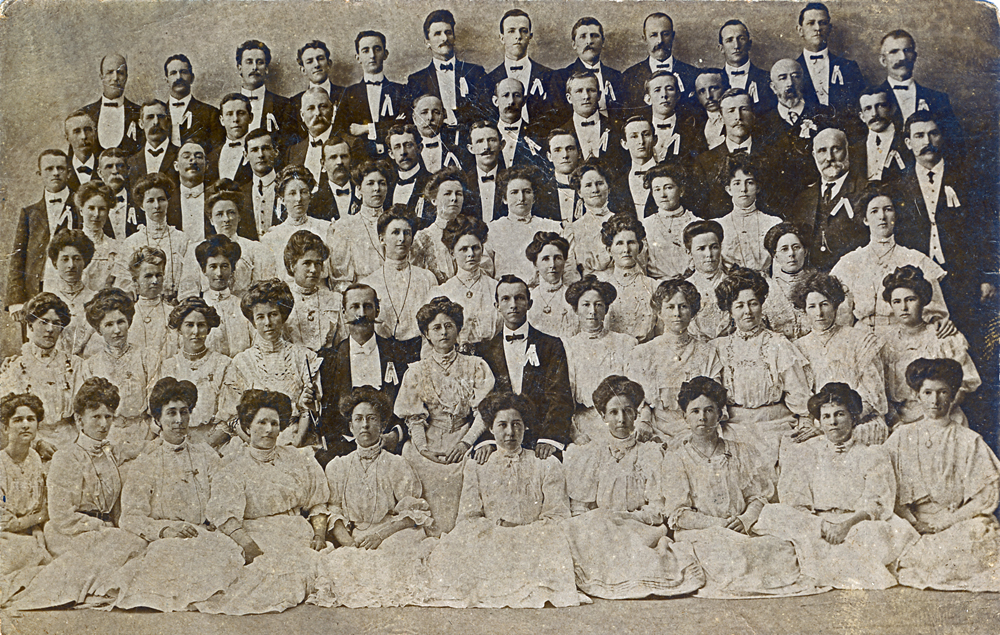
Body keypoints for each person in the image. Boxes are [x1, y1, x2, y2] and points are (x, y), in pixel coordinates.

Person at [662, 377, 819, 598]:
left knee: (779, 548)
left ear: (720, 414)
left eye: (709, 410)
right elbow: (679, 514)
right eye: (695, 411)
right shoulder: (677, 458)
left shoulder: (741, 451)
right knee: (729, 554)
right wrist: (719, 525)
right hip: (702, 532)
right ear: (685, 417)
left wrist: (746, 519)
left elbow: (758, 496)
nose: (702, 418)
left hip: (741, 526)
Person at [755, 382, 919, 590]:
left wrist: (845, 525)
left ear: (853, 417)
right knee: (773, 512)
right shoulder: (805, 453)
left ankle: (828, 565)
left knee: (872, 534)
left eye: (840, 414)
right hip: (817, 523)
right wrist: (821, 525)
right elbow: (795, 501)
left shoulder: (872, 454)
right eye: (826, 416)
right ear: (819, 422)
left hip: (855, 524)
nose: (833, 422)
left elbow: (877, 503)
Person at [422, 392, 579, 608]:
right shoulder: (477, 465)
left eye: (517, 425)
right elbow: (468, 517)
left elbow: (557, 517)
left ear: (526, 427)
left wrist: (520, 529)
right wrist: (497, 530)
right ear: (490, 428)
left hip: (532, 539)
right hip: (493, 538)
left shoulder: (546, 464)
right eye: (502, 425)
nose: (510, 432)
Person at [11, 378, 148, 611]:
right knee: (126, 546)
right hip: (69, 533)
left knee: (138, 545)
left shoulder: (110, 453)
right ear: (79, 420)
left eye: (108, 417)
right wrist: (102, 528)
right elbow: (61, 516)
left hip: (103, 532)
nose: (103, 424)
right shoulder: (66, 457)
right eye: (96, 417)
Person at [563, 376, 705, 599]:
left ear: (637, 414)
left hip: (640, 529)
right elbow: (581, 506)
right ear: (602, 416)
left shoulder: (651, 453)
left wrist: (628, 520)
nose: (622, 419)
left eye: (628, 411)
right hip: (602, 528)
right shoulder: (591, 454)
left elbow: (658, 509)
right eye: (614, 413)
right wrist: (604, 522)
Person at [113, 377, 243, 612]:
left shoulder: (205, 454)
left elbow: (223, 496)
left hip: (202, 535)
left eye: (184, 412)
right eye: (171, 413)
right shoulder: (147, 460)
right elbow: (131, 516)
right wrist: (164, 530)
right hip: (166, 540)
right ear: (157, 419)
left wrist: (214, 523)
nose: (179, 420)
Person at [196, 389, 330, 615]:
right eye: (262, 423)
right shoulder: (233, 466)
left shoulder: (298, 459)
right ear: (247, 427)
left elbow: (317, 504)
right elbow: (226, 518)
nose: (269, 430)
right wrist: (249, 547)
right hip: (254, 535)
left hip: (295, 533)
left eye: (275, 423)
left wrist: (319, 535)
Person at [311, 387, 434, 608]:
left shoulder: (397, 464)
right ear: (351, 427)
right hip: (358, 537)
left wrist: (380, 535)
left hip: (391, 533)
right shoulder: (339, 466)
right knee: (345, 566)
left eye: (371, 419)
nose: (365, 425)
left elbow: (413, 513)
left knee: (397, 563)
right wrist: (348, 543)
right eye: (358, 419)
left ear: (382, 425)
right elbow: (334, 511)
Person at [885, 358, 1000, 592]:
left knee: (979, 533)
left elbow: (985, 496)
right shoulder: (900, 437)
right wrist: (914, 522)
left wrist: (943, 523)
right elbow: (886, 489)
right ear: (917, 395)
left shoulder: (968, 440)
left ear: (953, 395)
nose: (934, 400)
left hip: (953, 521)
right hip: (911, 522)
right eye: (927, 392)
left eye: (942, 392)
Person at [393, 297, 495, 536]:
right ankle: (426, 534)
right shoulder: (417, 371)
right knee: (412, 459)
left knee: (469, 466)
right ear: (427, 334)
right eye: (436, 328)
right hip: (428, 438)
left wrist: (466, 442)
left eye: (449, 326)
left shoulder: (475, 365)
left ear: (458, 329)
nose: (443, 333)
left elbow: (482, 413)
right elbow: (414, 418)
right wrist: (423, 447)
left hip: (463, 434)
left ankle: (461, 534)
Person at [713, 267, 817, 472]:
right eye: (740, 306)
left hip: (774, 427)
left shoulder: (778, 344)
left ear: (762, 305)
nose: (748, 311)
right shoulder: (719, 348)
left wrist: (805, 420)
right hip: (732, 429)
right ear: (730, 311)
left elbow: (799, 394)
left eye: (753, 304)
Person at [476, 276, 573, 461]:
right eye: (505, 299)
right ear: (496, 305)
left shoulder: (551, 345)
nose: (513, 304)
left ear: (530, 303)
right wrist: (487, 440)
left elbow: (560, 396)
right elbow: (482, 401)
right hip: (499, 437)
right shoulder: (485, 350)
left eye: (519, 298)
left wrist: (549, 438)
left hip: (540, 435)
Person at [217, 280, 321, 450]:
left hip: (297, 442)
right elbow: (232, 418)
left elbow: (308, 412)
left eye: (273, 314)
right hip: (252, 445)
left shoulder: (304, 357)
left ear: (283, 315)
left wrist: (293, 447)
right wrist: (257, 446)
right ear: (253, 321)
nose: (267, 322)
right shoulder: (241, 362)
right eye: (260, 317)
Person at [831, 186, 950, 331]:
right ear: (865, 219)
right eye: (874, 211)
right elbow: (840, 314)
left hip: (904, 335)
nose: (882, 216)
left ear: (896, 215)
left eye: (888, 209)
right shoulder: (849, 262)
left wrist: (937, 319)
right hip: (861, 337)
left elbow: (936, 312)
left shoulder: (915, 258)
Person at [791, 271, 889, 445]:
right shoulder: (797, 348)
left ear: (835, 305)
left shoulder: (859, 340)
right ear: (805, 310)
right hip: (817, 421)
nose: (819, 313)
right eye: (812, 306)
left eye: (824, 304)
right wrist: (819, 422)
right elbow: (800, 396)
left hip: (858, 419)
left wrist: (838, 422)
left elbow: (874, 396)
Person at [316, 284, 408, 464]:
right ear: (344, 313)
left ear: (377, 310)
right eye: (354, 307)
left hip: (389, 445)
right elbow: (328, 416)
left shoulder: (397, 352)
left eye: (367, 306)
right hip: (344, 450)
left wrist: (395, 435)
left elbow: (407, 402)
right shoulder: (328, 360)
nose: (361, 314)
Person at [877, 266, 980, 426]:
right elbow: (880, 392)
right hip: (900, 422)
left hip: (943, 416)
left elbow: (963, 386)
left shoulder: (944, 336)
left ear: (923, 300)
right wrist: (896, 421)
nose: (904, 308)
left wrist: (932, 417)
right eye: (897, 301)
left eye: (910, 299)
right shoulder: (884, 343)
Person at [626, 279, 723, 447]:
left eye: (683, 306)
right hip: (654, 428)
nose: (677, 313)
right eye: (670, 307)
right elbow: (636, 398)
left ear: (692, 311)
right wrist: (645, 421)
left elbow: (714, 398)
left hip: (698, 427)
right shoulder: (643, 353)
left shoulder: (707, 352)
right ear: (659, 312)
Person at [0, 293, 79, 454]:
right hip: (30, 444)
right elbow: (7, 417)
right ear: (30, 326)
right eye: (43, 322)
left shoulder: (74, 365)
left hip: (72, 443)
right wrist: (37, 443)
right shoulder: (15, 367)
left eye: (56, 323)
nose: (50, 329)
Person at [562, 276, 637, 444]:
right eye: (586, 305)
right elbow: (565, 398)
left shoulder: (626, 343)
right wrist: (575, 435)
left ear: (606, 309)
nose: (592, 311)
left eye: (598, 305)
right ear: (575, 310)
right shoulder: (567, 347)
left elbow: (635, 391)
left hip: (622, 421)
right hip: (584, 426)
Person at [7, 149, 79, 320]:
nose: (55, 173)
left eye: (60, 168)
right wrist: (16, 300)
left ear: (68, 172)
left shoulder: (81, 207)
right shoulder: (29, 213)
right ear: (39, 173)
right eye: (49, 169)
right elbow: (18, 257)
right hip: (37, 289)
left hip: (72, 285)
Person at [79, 288, 154, 450]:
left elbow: (156, 406)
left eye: (121, 322)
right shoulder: (90, 365)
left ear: (129, 322)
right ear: (99, 329)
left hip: (142, 435)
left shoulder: (147, 358)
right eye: (109, 324)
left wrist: (147, 441)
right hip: (106, 437)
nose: (117, 330)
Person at [786, 127, 869, 271]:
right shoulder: (803, 199)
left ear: (847, 150)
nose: (829, 158)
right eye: (822, 151)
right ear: (814, 155)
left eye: (836, 149)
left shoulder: (866, 192)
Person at [360, 206, 438, 351]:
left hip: (419, 351)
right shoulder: (369, 283)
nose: (402, 238)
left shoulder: (427, 278)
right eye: (395, 232)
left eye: (407, 233)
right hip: (381, 351)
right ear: (382, 239)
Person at [159, 298, 232, 446]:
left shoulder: (223, 364)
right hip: (176, 441)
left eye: (201, 325)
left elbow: (228, 418)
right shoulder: (169, 366)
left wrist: (205, 447)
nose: (196, 332)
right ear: (179, 329)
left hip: (214, 442)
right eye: (189, 325)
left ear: (209, 329)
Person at [0, 393, 53, 592]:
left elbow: (38, 505)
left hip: (28, 534)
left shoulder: (34, 459)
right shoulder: (1, 463)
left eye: (31, 419)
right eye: (18, 420)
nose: (25, 425)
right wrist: (38, 520)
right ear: (6, 428)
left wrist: (37, 529)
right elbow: (4, 523)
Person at [693, 88, 770, 216]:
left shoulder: (773, 156)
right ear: (721, 117)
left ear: (753, 114)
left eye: (744, 109)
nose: (738, 117)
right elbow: (702, 210)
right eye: (731, 111)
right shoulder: (704, 161)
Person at [874, 30, 961, 144]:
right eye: (894, 52)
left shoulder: (938, 99)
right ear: (883, 60)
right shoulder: (869, 99)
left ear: (914, 56)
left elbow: (954, 143)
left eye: (907, 51)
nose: (902, 57)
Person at [333, 31, 409, 161]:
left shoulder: (400, 90)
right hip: (361, 160)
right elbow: (340, 131)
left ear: (385, 54)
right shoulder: (348, 93)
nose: (372, 55)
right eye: (366, 50)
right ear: (358, 57)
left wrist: (366, 129)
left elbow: (403, 126)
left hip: (395, 160)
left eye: (377, 49)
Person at [406, 9, 488, 129]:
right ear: (427, 42)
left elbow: (485, 110)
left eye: (448, 32)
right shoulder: (417, 80)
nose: (444, 38)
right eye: (437, 33)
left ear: (454, 37)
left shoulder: (475, 73)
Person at [182, 183, 267, 298]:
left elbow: (263, 291)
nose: (226, 219)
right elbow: (188, 294)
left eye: (231, 213)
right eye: (219, 214)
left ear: (239, 216)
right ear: (211, 220)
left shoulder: (255, 249)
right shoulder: (195, 250)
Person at [429, 216, 501, 349]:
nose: (471, 254)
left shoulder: (496, 288)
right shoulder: (442, 292)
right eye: (464, 249)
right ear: (452, 253)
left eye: (475, 248)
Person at [411, 168, 491, 284]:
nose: (454, 198)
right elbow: (416, 279)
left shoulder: (474, 231)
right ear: (434, 200)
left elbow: (486, 271)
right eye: (447, 193)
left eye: (458, 193)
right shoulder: (422, 238)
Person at [487, 166, 564, 282]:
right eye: (514, 192)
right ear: (504, 198)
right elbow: (485, 273)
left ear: (534, 198)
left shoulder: (552, 227)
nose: (521, 198)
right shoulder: (492, 230)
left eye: (527, 192)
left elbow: (566, 270)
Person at [794, 4, 867, 125]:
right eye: (811, 23)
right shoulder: (791, 70)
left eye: (822, 23)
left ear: (830, 28)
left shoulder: (849, 67)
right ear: (800, 30)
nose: (817, 28)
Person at [327, 160, 394, 287]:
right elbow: (341, 279)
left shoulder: (395, 223)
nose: (377, 189)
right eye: (370, 183)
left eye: (382, 183)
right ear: (359, 189)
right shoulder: (344, 226)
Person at [123, 172, 189, 301]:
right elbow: (127, 282)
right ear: (142, 205)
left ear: (168, 202)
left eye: (161, 199)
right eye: (150, 201)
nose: (157, 206)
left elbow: (188, 279)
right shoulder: (132, 242)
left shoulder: (182, 239)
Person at [486, 9, 555, 131]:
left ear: (530, 37)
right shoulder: (489, 79)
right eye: (511, 31)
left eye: (523, 31)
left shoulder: (550, 76)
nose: (518, 36)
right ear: (502, 38)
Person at [261, 166, 332, 282]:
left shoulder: (326, 229)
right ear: (282, 199)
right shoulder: (271, 238)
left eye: (303, 192)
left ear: (310, 196)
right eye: (292, 193)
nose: (299, 199)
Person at [597, 213, 658, 341]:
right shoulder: (600, 286)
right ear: (609, 250)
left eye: (631, 242)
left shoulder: (653, 287)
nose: (626, 249)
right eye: (619, 243)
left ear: (639, 247)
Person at [622, 12, 701, 110]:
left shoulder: (693, 74)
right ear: (644, 39)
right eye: (653, 35)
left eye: (665, 34)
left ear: (672, 36)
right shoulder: (629, 76)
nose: (660, 41)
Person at [716, 155, 782, 272]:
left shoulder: (773, 223)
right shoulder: (718, 225)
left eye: (750, 183)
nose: (743, 189)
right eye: (737, 183)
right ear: (728, 189)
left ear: (758, 187)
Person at [283, 230, 344, 352]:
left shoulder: (336, 300)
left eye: (318, 263)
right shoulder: (282, 299)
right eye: (307, 263)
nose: (314, 269)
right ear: (292, 265)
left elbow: (342, 342)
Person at [195, 235, 254, 357]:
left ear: (232, 269)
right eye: (213, 266)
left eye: (224, 266)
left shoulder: (243, 306)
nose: (219, 273)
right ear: (204, 270)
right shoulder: (197, 308)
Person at [555, 17, 624, 118]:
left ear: (603, 42)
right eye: (583, 36)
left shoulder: (617, 77)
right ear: (574, 44)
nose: (589, 41)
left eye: (594, 36)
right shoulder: (560, 78)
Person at [45, 229, 98, 357]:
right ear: (55, 263)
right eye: (65, 259)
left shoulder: (95, 299)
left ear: (85, 262)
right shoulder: (46, 300)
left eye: (76, 259)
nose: (71, 265)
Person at [563, 160, 620, 277]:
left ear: (608, 188)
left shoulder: (621, 222)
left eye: (599, 183)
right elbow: (569, 271)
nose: (595, 190)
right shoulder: (573, 229)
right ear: (579, 192)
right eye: (588, 185)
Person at [554, 72, 624, 166]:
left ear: (599, 95)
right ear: (569, 98)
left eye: (591, 90)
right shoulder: (559, 134)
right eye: (579, 91)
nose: (586, 96)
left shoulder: (618, 127)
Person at [66, 181, 125, 293]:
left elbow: (122, 286)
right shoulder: (70, 244)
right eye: (91, 208)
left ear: (108, 212)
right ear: (81, 210)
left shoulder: (116, 248)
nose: (96, 214)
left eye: (102, 209)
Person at [235, 40, 297, 144]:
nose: (254, 67)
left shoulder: (284, 105)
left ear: (266, 69)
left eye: (260, 62)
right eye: (249, 62)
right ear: (239, 68)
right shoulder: (229, 106)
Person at [79, 53, 142, 155]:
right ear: (101, 77)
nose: (115, 77)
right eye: (109, 72)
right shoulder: (85, 114)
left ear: (126, 77)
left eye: (120, 72)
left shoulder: (139, 113)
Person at [126, 246, 177, 371]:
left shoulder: (173, 313)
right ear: (135, 280)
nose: (155, 281)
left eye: (158, 275)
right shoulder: (127, 315)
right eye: (148, 276)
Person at [682, 220, 732, 341]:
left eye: (714, 247)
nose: (709, 254)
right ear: (689, 252)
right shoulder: (683, 287)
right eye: (701, 248)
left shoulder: (732, 283)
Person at [762, 223, 814, 340]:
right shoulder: (766, 288)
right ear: (775, 256)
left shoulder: (817, 284)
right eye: (784, 249)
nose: (791, 254)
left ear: (805, 251)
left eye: (796, 247)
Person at [641, 72, 706, 165]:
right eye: (657, 90)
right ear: (648, 99)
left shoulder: (692, 129)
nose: (664, 95)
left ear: (678, 96)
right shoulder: (639, 129)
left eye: (669, 89)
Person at [164, 53, 223, 152]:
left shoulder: (210, 113)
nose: (179, 77)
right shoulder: (158, 114)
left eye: (184, 72)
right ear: (167, 80)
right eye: (173, 73)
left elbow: (216, 151)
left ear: (192, 78)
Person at [852, 86, 912, 183]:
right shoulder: (854, 149)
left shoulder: (907, 143)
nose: (874, 114)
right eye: (868, 108)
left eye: (880, 106)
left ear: (893, 109)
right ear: (862, 116)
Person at [525, 231, 578, 339]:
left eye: (558, 258)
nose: (552, 265)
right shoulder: (528, 297)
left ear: (564, 261)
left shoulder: (574, 297)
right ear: (535, 264)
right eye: (545, 259)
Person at [716, 20, 776, 111]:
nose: (736, 45)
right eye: (729, 40)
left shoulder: (767, 79)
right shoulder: (714, 82)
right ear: (721, 48)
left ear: (749, 44)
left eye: (741, 39)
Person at [609, 117, 657, 218]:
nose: (641, 141)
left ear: (655, 140)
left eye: (646, 134)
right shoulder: (617, 182)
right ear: (624, 144)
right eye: (634, 136)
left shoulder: (669, 175)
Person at [287, 88, 336, 183]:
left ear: (332, 110)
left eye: (323, 107)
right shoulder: (293, 152)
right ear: (302, 115)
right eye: (310, 108)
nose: (317, 113)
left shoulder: (351, 144)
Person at [493, 79, 544, 171]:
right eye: (505, 95)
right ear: (496, 101)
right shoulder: (487, 134)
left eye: (517, 95)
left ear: (524, 101)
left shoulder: (538, 134)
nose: (511, 101)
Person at [307, 135, 359, 222]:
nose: (339, 162)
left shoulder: (363, 194)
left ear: (351, 160)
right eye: (333, 157)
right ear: (323, 164)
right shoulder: (314, 202)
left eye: (344, 156)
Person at [239, 128, 279, 236]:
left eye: (265, 148)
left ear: (276, 151)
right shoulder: (240, 193)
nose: (260, 155)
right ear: (245, 155)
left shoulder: (287, 187)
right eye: (254, 150)